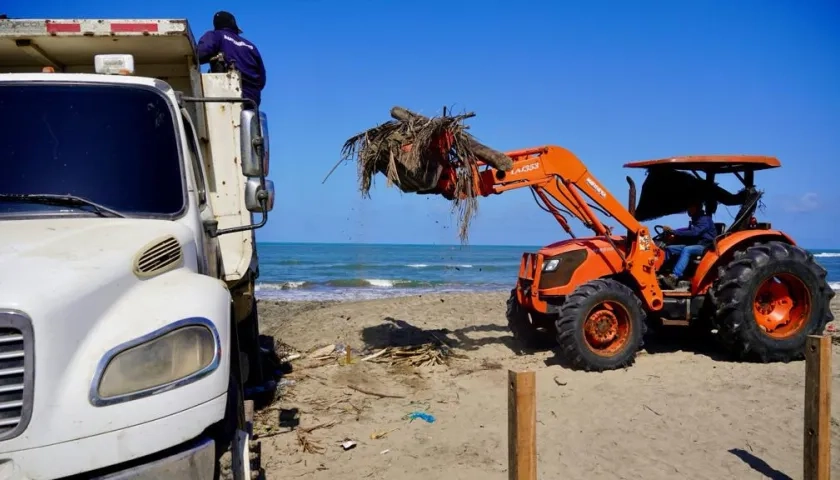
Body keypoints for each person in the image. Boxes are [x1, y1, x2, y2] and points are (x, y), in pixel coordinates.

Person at [197, 11, 267, 109]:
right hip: (252, 100)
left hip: (227, 94)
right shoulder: (251, 46)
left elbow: (199, 54)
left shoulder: (216, 35)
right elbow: (262, 79)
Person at [660, 201, 717, 289]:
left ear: (697, 207)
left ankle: (674, 277)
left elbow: (695, 232)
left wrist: (674, 232)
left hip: (705, 246)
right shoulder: (696, 219)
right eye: (688, 208)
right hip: (696, 244)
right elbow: (688, 230)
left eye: (690, 207)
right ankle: (664, 273)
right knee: (669, 248)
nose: (688, 210)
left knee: (687, 249)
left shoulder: (704, 219)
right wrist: (672, 231)